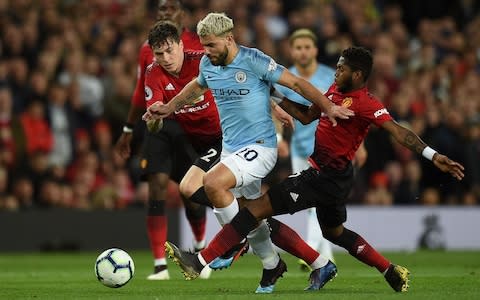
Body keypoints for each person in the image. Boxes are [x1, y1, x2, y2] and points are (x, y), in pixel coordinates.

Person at [160, 46, 465, 292]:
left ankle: (200, 262)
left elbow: (399, 132)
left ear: (358, 75)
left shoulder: (366, 103)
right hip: (335, 178)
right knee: (334, 232)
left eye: (343, 68)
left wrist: (431, 153)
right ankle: (389, 269)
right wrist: (272, 94)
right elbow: (307, 116)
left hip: (323, 178)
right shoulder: (333, 90)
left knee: (252, 211)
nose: (338, 71)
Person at [144, 12, 354, 292]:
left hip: (260, 147)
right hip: (232, 149)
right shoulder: (208, 64)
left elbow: (296, 83)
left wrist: (328, 108)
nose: (206, 52)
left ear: (229, 39)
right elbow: (196, 86)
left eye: (211, 45)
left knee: (213, 183)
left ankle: (232, 240)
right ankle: (293, 264)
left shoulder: (254, 60)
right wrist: (169, 108)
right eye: (204, 45)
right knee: (254, 217)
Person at [114, 0, 211, 280]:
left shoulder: (199, 44)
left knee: (189, 192)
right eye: (161, 9)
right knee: (156, 185)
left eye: (170, 8)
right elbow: (139, 91)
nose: (165, 12)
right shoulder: (148, 49)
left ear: (183, 14)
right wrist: (129, 128)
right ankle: (159, 265)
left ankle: (200, 245)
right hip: (160, 122)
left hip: (191, 125)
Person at [274, 28, 337, 267]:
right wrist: (280, 140)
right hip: (300, 152)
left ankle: (310, 251)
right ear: (292, 50)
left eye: (306, 47)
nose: (302, 52)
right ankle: (326, 257)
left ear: (315, 50)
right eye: (298, 48)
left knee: (314, 202)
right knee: (317, 204)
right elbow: (276, 112)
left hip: (327, 150)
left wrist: (358, 147)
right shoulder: (286, 79)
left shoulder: (330, 77)